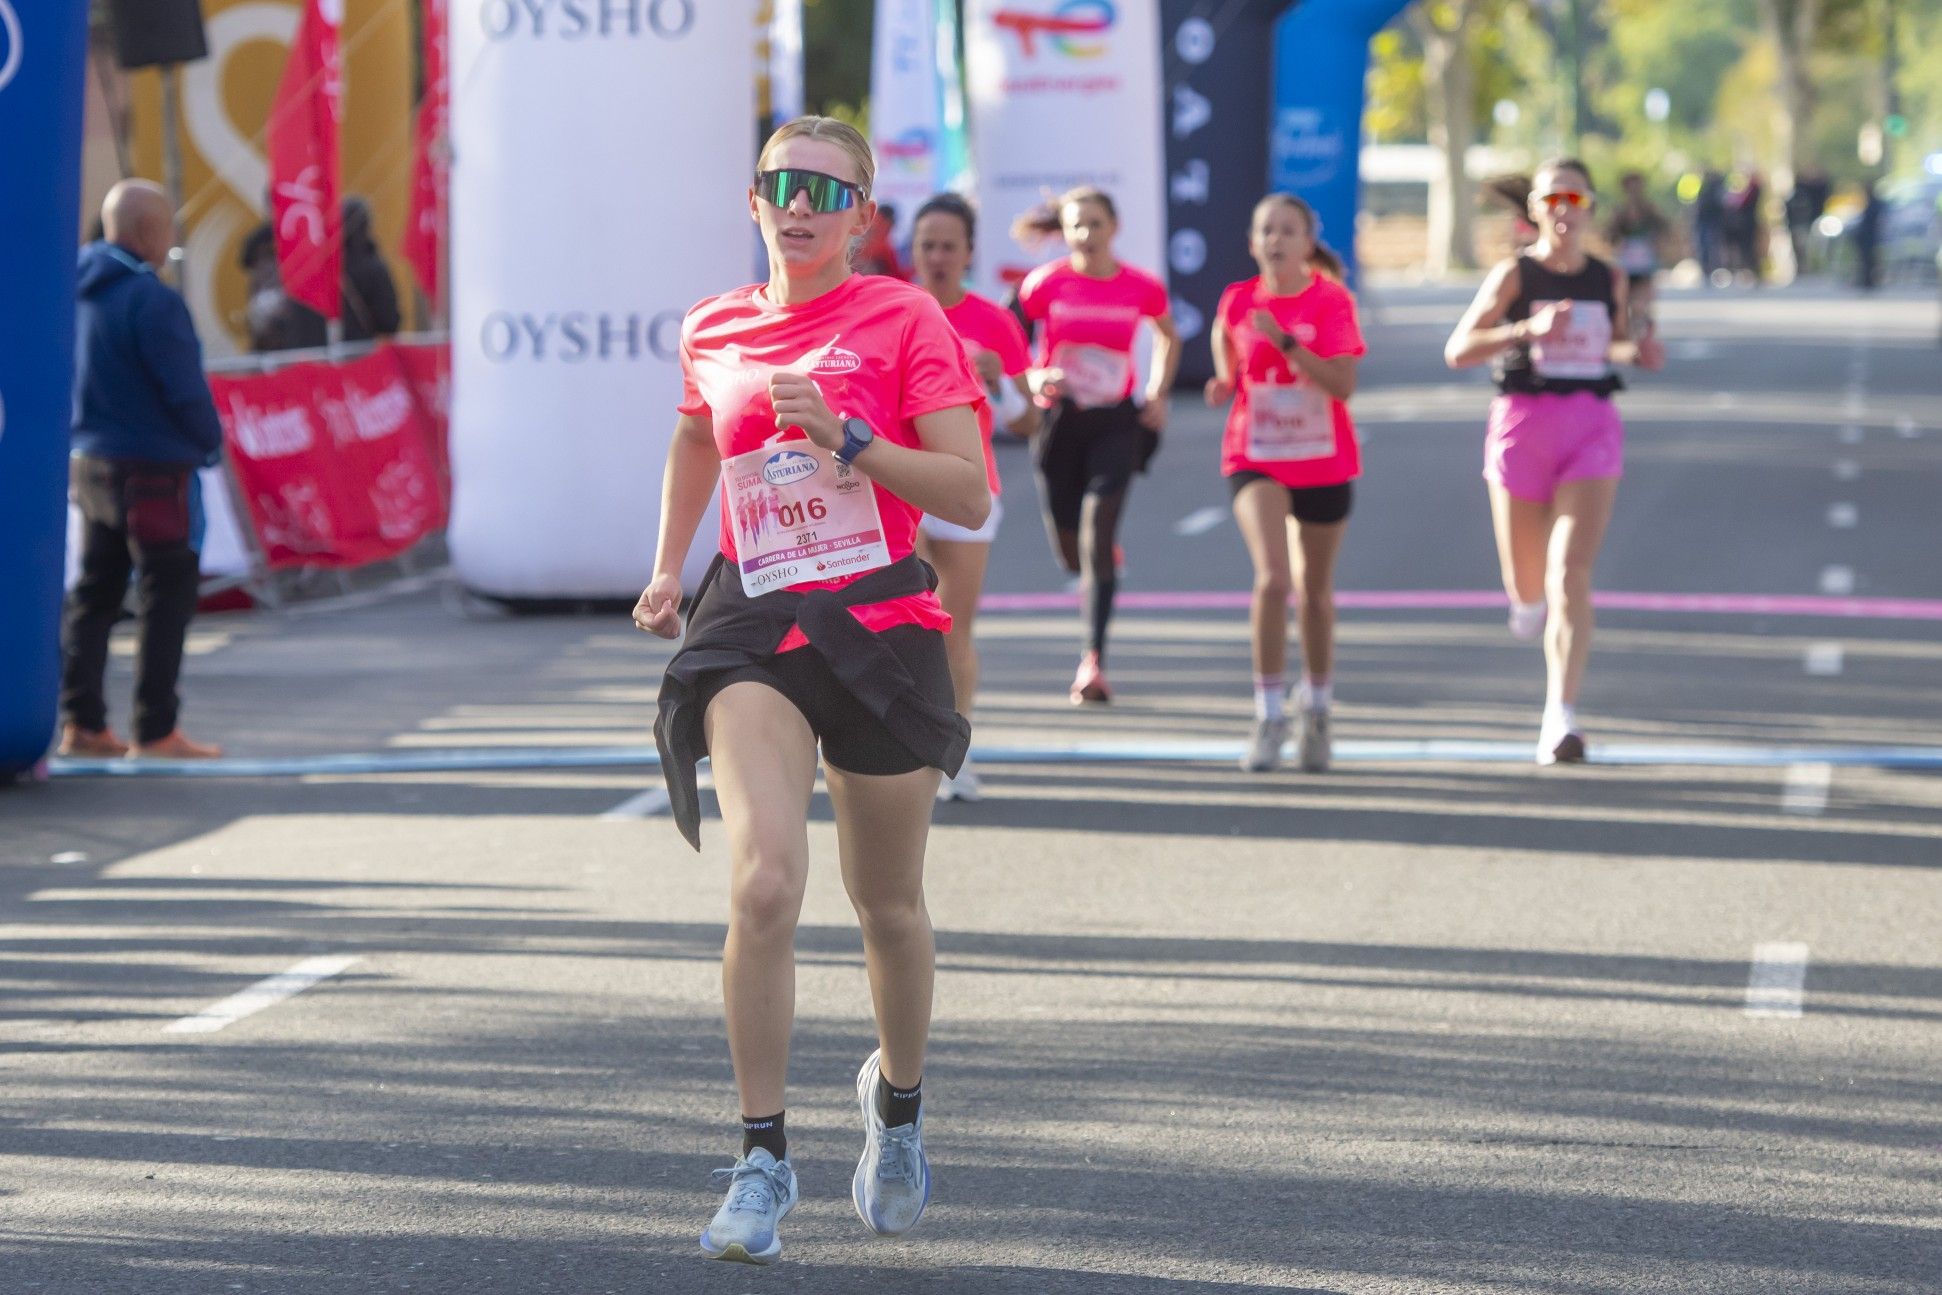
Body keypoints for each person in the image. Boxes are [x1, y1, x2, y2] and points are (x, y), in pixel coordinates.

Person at [633, 116, 988, 1266]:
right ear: (754, 201)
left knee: (886, 903)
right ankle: (760, 1157)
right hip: (754, 621)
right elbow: (697, 438)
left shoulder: (904, 316)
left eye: (825, 192)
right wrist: (664, 569)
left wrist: (853, 438)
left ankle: (896, 1102)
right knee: (766, 881)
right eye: (781, 185)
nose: (800, 205)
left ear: (860, 219)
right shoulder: (715, 323)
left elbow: (968, 493)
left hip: (879, 619)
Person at [1443, 158, 1665, 765]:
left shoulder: (1608, 277)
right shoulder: (1514, 275)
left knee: (1570, 573)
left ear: (1591, 206)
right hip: (1523, 425)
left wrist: (1640, 350)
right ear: (1536, 209)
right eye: (1553, 198)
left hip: (1591, 427)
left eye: (1577, 196)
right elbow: (1457, 350)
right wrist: (1526, 329)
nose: (1565, 208)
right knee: (1528, 584)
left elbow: (1617, 341)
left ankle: (1559, 716)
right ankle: (1526, 603)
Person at [59, 180, 227, 760]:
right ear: (150, 232)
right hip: (153, 470)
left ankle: (81, 722)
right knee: (166, 593)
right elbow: (184, 390)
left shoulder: (72, 290)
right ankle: (155, 731)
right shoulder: (152, 301)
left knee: (94, 597)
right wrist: (212, 444)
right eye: (169, 227)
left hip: (89, 462)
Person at [1205, 195, 1364, 774]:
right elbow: (1227, 337)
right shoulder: (1239, 299)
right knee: (1273, 578)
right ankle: (1269, 714)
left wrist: (1289, 343)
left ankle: (1317, 709)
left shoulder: (1330, 300)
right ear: (1253, 241)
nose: (1275, 240)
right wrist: (1227, 380)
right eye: (1265, 230)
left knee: (1315, 593)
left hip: (1323, 458)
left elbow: (1343, 385)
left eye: (1287, 231)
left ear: (1307, 242)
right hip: (1257, 454)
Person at [1015, 186, 1180, 703]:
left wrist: (1157, 392)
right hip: (1059, 423)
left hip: (1115, 422)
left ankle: (1094, 661)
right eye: (1076, 225)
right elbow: (1010, 337)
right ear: (1064, 231)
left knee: (1096, 539)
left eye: (1095, 223)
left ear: (1115, 227)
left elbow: (1168, 334)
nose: (1086, 234)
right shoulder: (1044, 284)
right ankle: (1096, 560)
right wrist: (1035, 375)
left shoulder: (1141, 286)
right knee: (1072, 555)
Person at [908, 192, 1040, 802]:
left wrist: (999, 385)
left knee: (950, 630)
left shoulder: (994, 322)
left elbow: (1027, 423)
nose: (937, 257)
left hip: (967, 489)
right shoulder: (889, 308)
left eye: (948, 246)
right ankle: (898, 746)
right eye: (927, 245)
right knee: (903, 624)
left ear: (968, 252)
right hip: (896, 486)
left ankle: (950, 754)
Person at [1604, 172, 1671, 336]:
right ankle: (1628, 333)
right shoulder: (1619, 211)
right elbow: (1609, 235)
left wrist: (1656, 243)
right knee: (1625, 300)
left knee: (1643, 302)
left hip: (1645, 263)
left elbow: (1665, 229)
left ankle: (1646, 334)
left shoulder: (1649, 209)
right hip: (1626, 263)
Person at [340, 196, 403, 343]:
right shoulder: (374, 268)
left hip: (326, 357)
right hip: (364, 354)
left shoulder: (327, 269)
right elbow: (389, 320)